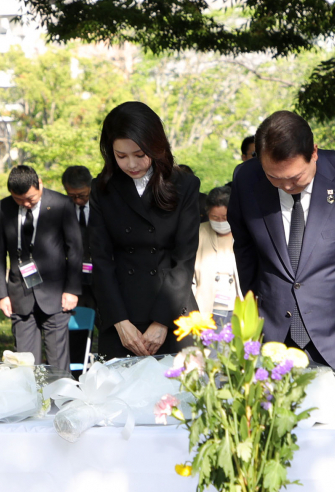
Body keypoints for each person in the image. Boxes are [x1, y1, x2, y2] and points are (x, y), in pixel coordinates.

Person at [230, 111, 335, 410]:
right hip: (276, 332)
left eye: (295, 177)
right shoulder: (246, 179)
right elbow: (244, 248)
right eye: (274, 177)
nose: (286, 186)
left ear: (314, 153)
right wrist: (252, 301)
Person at [89, 101, 201, 358]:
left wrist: (162, 321)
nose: (131, 164)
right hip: (121, 315)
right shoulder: (102, 189)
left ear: (156, 146)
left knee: (177, 395)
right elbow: (102, 261)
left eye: (139, 154)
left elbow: (184, 261)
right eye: (121, 156)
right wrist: (119, 321)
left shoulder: (185, 185)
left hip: (172, 308)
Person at [0, 166, 83, 373]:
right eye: (19, 199)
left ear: (39, 184)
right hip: (19, 295)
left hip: (56, 294)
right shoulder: (3, 208)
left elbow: (75, 250)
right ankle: (31, 403)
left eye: (30, 199)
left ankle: (62, 403)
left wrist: (72, 290)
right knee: (24, 365)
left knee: (58, 364)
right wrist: (1, 294)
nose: (25, 204)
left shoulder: (61, 204)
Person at [194, 186, 242, 328]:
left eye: (225, 218)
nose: (220, 222)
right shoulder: (199, 233)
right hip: (207, 307)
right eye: (215, 217)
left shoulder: (245, 233)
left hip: (237, 306)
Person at [62, 165, 97, 312]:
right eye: (72, 196)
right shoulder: (62, 209)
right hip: (74, 277)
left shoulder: (102, 206)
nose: (77, 200)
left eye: (82, 195)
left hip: (100, 276)